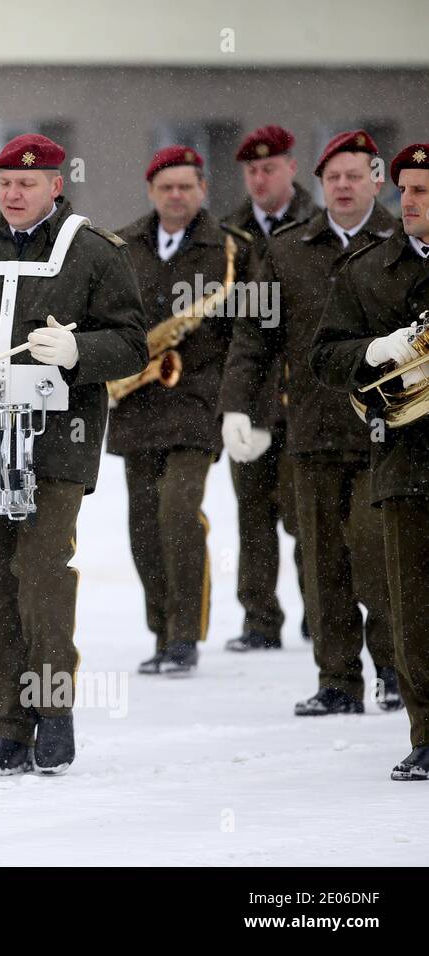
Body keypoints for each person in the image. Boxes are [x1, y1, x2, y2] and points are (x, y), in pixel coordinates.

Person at [0, 134, 147, 776]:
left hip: (55, 437)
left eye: (27, 184)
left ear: (56, 185)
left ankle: (55, 713)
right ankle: (8, 728)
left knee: (42, 574)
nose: (12, 194)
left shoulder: (94, 252)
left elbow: (131, 344)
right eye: (4, 182)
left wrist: (76, 353)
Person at [224, 130, 399, 716]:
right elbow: (253, 337)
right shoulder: (288, 250)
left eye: (354, 176)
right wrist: (238, 407)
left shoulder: (403, 244)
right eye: (333, 179)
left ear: (378, 180)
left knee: (380, 557)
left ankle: (397, 669)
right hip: (315, 431)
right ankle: (337, 680)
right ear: (319, 186)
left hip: (389, 431)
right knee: (323, 563)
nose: (343, 186)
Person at [310, 141, 429, 780]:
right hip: (406, 460)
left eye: (423, 192)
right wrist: (377, 349)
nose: (407, 202)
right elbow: (323, 357)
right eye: (405, 189)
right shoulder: (364, 270)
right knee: (412, 606)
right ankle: (427, 733)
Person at [109, 146, 239, 676]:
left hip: (197, 401)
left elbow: (243, 332)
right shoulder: (122, 245)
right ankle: (162, 631)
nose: (176, 195)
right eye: (167, 187)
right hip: (137, 401)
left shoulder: (229, 248)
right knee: (143, 524)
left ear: (203, 190)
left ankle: (185, 634)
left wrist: (234, 401)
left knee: (177, 511)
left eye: (186, 186)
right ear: (151, 192)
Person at [219, 124, 315, 652]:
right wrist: (230, 405)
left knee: (309, 516)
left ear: (291, 169)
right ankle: (259, 621)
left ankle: (319, 613)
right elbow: (224, 330)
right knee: (251, 515)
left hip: (302, 395)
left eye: (269, 167)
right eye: (252, 170)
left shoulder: (317, 226)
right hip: (250, 393)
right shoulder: (228, 232)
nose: (260, 177)